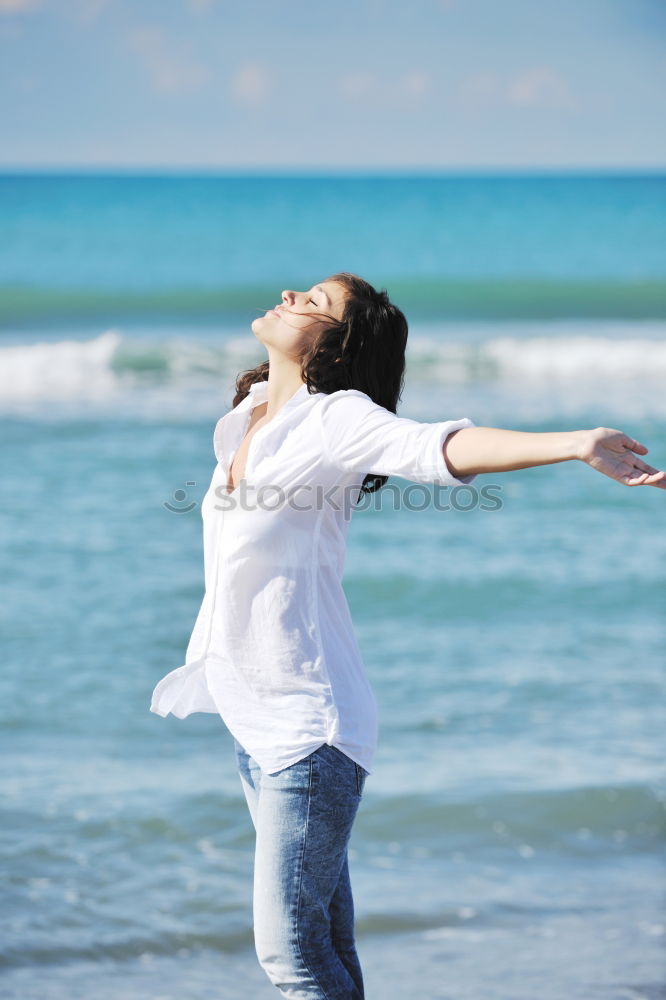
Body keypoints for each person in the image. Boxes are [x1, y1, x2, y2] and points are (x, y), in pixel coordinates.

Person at [150, 272, 665, 999]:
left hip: (309, 727)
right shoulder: (252, 413)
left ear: (336, 343)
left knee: (290, 955)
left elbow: (440, 447)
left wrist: (575, 442)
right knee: (326, 942)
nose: (292, 296)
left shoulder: (335, 418)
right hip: (254, 718)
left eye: (316, 303)